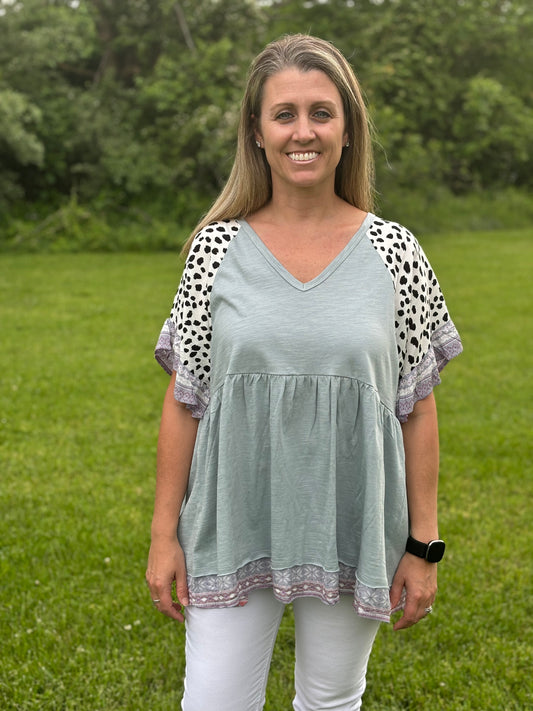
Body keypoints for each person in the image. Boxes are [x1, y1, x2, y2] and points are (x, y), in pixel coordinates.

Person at [146, 33, 462, 711]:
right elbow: (184, 397)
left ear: (347, 130)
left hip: (351, 525)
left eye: (321, 112)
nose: (303, 131)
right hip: (231, 523)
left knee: (330, 701)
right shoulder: (214, 249)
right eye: (283, 113)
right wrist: (161, 535)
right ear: (256, 132)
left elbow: (418, 405)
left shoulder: (395, 252)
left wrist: (422, 545)